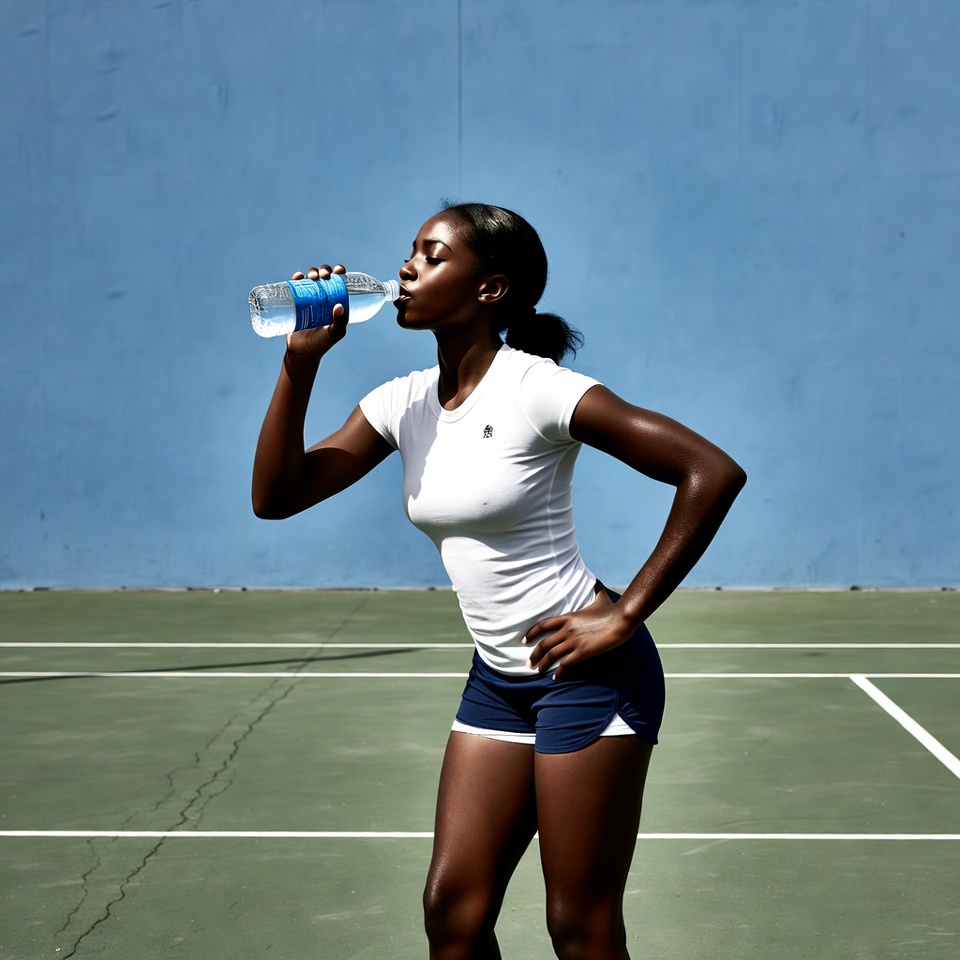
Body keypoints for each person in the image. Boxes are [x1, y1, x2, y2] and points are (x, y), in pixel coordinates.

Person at [252, 201, 746, 960]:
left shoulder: (535, 389)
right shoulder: (402, 402)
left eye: (433, 254)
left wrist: (624, 616)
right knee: (453, 913)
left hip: (589, 675)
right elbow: (277, 497)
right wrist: (299, 361)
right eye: (410, 251)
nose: (408, 267)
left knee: (577, 925)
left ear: (490, 289)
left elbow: (709, 472)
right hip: (499, 678)